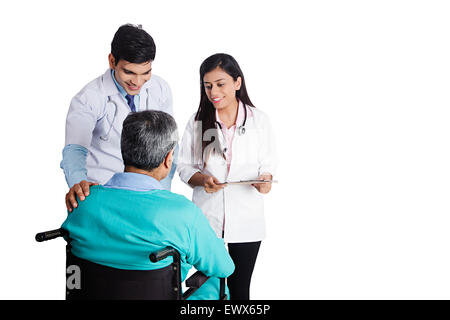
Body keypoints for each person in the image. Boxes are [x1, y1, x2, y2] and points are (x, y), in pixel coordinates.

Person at [61, 110, 234, 300]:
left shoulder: (82, 199)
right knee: (219, 283)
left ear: (124, 150)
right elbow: (225, 267)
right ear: (169, 158)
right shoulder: (182, 212)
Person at [177, 53, 277, 300]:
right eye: (208, 85)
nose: (213, 92)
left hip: (246, 222)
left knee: (240, 290)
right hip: (207, 220)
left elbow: (269, 165)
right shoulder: (200, 121)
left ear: (237, 83)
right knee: (206, 289)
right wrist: (203, 180)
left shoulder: (258, 121)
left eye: (220, 84)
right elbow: (184, 168)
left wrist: (264, 181)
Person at [61, 24, 177, 212]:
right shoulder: (89, 98)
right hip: (103, 193)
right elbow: (74, 150)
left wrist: (162, 191)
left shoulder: (160, 89)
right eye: (129, 72)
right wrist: (79, 184)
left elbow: (170, 143)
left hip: (148, 196)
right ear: (112, 61)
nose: (137, 82)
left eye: (145, 73)